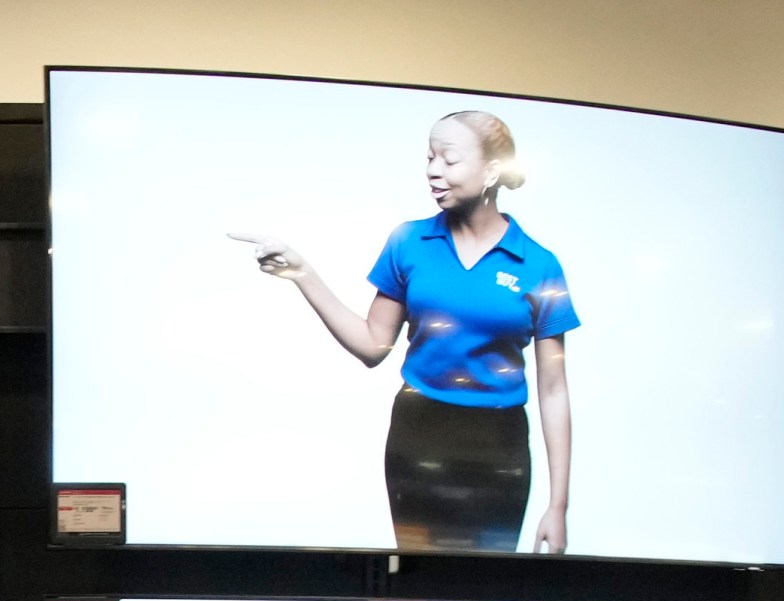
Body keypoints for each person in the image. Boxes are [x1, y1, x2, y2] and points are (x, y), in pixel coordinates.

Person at [230, 111, 579, 553]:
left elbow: (553, 390)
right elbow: (373, 345)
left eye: (449, 159)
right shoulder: (408, 243)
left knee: (489, 583)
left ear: (492, 171)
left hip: (499, 446)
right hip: (418, 435)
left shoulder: (539, 265)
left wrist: (558, 506)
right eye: (430, 157)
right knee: (420, 581)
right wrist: (303, 273)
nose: (433, 170)